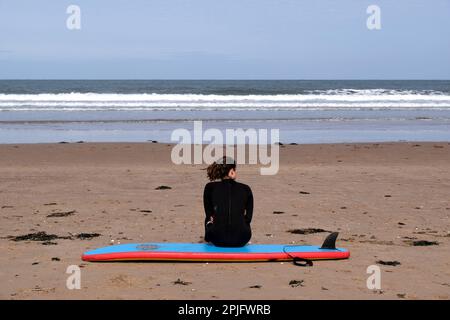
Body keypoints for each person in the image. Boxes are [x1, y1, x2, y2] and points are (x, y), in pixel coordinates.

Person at [203, 156, 253, 247]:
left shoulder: (210, 187)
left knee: (209, 217)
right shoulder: (246, 189)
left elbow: (209, 214)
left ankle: (208, 237)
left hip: (217, 239)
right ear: (232, 171)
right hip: (242, 238)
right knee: (243, 220)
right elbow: (248, 218)